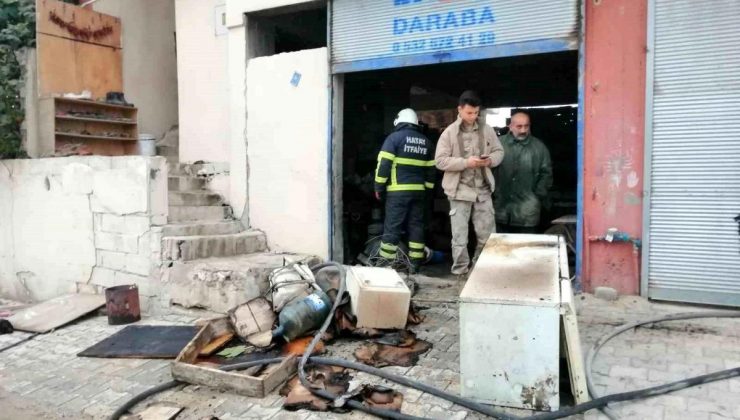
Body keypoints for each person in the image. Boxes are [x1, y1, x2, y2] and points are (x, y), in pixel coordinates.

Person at [435, 91, 504, 275]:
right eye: (469, 113)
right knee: (459, 237)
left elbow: (499, 151)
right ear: (460, 110)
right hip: (459, 191)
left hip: (483, 190)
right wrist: (466, 163)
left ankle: (482, 269)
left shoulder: (487, 129)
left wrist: (489, 161)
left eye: (476, 113)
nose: (473, 117)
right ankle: (460, 271)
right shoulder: (449, 133)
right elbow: (440, 161)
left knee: (487, 236)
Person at [374, 108, 436, 272]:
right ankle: (415, 263)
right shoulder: (426, 141)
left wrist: (378, 187)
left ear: (399, 121)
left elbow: (384, 165)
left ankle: (385, 264)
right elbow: (431, 170)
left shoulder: (394, 138)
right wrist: (428, 192)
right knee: (416, 226)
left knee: (392, 227)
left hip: (397, 193)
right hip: (419, 193)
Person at [494, 111, 553, 233]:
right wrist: (494, 192)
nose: (523, 130)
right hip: (501, 209)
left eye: (526, 126)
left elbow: (546, 174)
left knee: (527, 249)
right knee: (501, 249)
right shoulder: (497, 145)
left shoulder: (539, 147)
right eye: (519, 126)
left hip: (528, 212)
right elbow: (486, 169)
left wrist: (537, 196)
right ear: (510, 126)